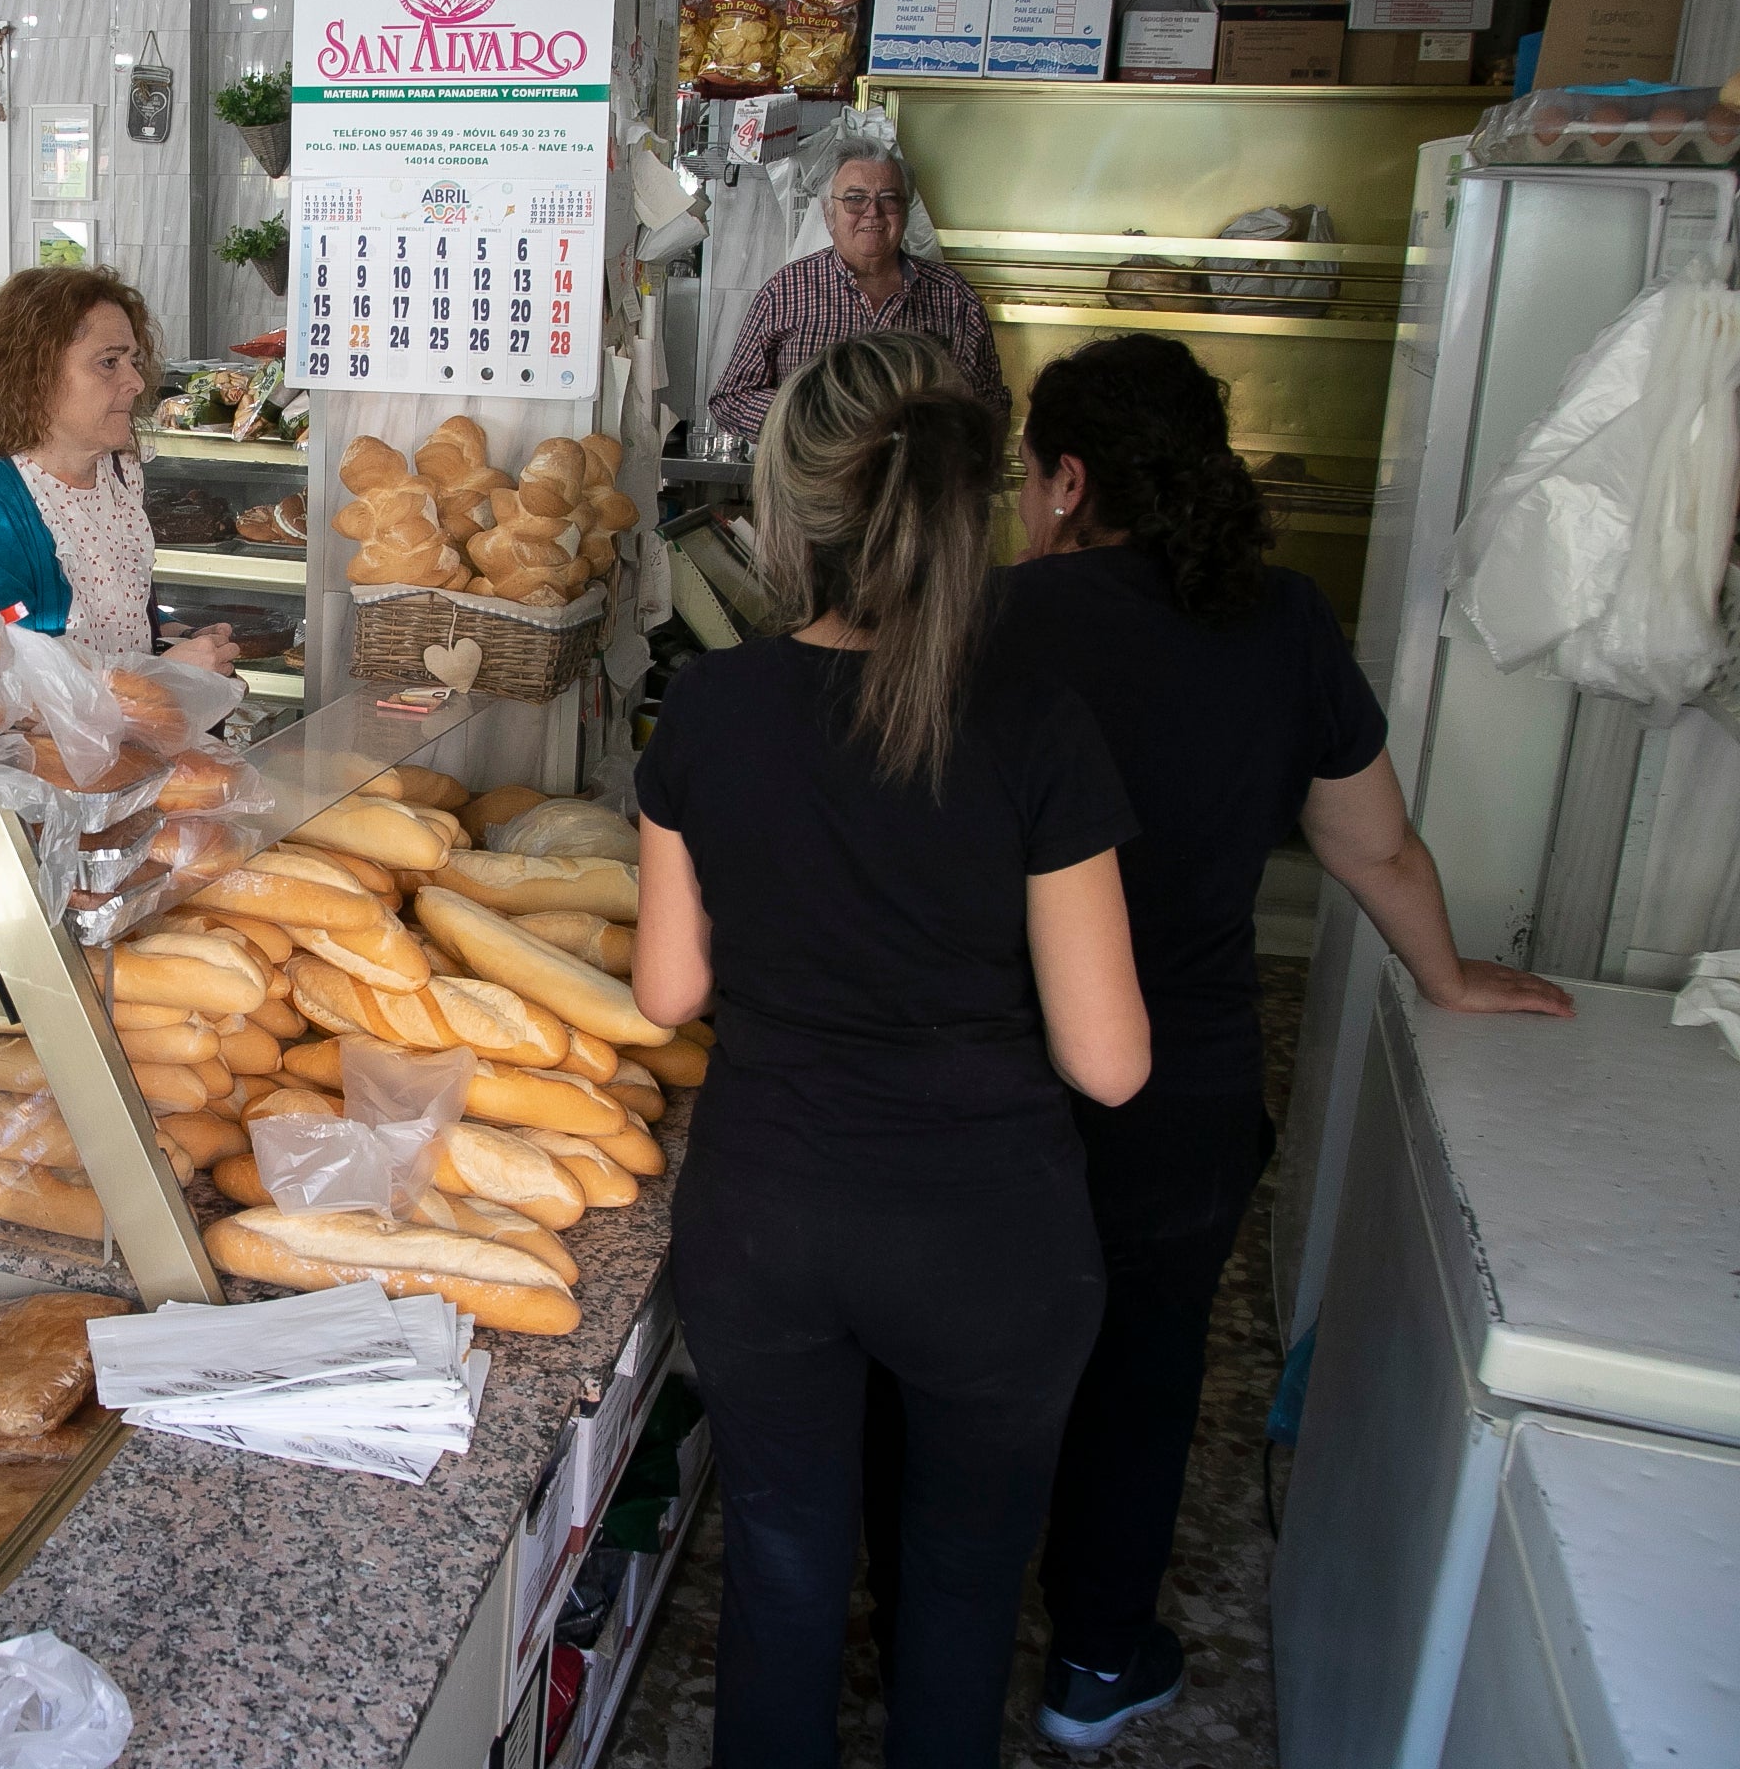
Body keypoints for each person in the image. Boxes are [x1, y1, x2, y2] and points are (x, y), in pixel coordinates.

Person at [910, 332, 1573, 1749]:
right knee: (1146, 1369)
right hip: (1185, 1087)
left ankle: (930, 1650)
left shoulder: (991, 618)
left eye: (1031, 479)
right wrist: (1448, 976)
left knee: (965, 1362)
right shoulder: (1284, 621)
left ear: (1070, 480)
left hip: (989, 1079)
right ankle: (1096, 1664)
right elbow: (1371, 843)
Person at [632, 330, 1151, 1768]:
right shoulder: (1035, 722)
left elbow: (669, 992)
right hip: (992, 1240)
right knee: (966, 1590)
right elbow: (1111, 1063)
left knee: (785, 1568)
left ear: (784, 515)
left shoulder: (712, 708)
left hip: (768, 1220)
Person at [0, 265, 238, 674]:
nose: (136, 382)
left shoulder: (116, 472)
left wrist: (176, 636)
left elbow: (115, 615)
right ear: (35, 375)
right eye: (109, 362)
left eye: (134, 360)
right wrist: (161, 676)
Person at [709, 149, 1006, 444]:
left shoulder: (952, 294)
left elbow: (992, 406)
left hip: (919, 472)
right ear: (828, 212)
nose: (873, 211)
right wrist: (814, 414)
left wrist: (928, 424)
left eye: (889, 198)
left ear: (905, 211)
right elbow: (730, 400)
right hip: (815, 472)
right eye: (855, 199)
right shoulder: (786, 289)